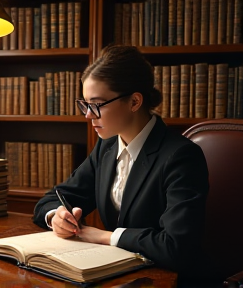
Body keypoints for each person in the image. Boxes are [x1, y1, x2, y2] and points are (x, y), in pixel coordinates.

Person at [33, 45, 209, 280]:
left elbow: (176, 247)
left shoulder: (181, 156)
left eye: (96, 104)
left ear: (134, 102)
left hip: (163, 279)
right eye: (84, 104)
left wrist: (107, 237)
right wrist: (57, 216)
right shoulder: (106, 148)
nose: (88, 115)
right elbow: (51, 199)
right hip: (117, 274)